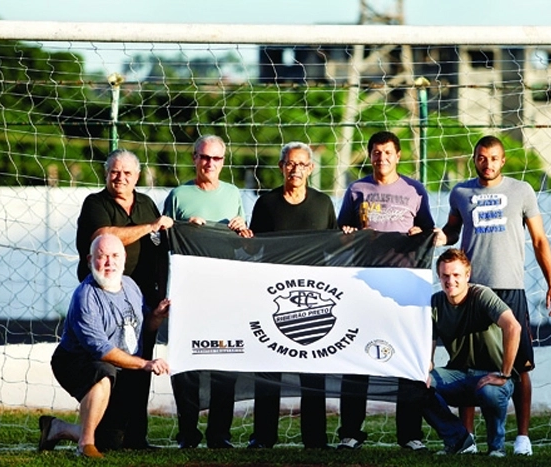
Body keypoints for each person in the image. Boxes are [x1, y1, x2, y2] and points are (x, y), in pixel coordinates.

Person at [436, 135, 551, 455]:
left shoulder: (521, 191)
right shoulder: (461, 192)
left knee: (520, 365)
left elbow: (539, 240)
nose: (487, 163)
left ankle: (522, 437)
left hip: (510, 288)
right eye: (481, 157)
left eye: (493, 158)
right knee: (466, 361)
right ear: (474, 159)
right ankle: (466, 438)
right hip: (471, 289)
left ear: (503, 161)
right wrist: (437, 235)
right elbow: (451, 230)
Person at [336, 130, 434, 451]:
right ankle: (350, 432)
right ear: (370, 155)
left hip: (403, 289)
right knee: (356, 357)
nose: (382, 157)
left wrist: (421, 230)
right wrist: (347, 232)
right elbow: (340, 232)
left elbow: (429, 230)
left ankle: (410, 434)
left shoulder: (415, 190)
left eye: (388, 152)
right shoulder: (356, 190)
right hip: (363, 285)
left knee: (406, 357)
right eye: (377, 152)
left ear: (398, 155)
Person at [37, 234, 170, 458]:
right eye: (102, 256)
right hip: (75, 360)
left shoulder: (130, 285)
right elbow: (102, 351)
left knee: (110, 440)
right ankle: (85, 445)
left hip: (120, 367)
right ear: (90, 260)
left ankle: (56, 429)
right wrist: (145, 363)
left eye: (115, 256)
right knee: (103, 372)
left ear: (124, 258)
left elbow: (142, 325)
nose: (109, 262)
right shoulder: (85, 296)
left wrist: (157, 316)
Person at [75, 148, 173, 449]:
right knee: (112, 363)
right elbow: (104, 236)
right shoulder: (95, 203)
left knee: (142, 363)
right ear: (106, 174)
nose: (120, 178)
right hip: (105, 296)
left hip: (140, 298)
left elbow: (161, 244)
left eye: (127, 173)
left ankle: (136, 437)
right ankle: (106, 433)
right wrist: (150, 227)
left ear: (137, 177)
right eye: (115, 172)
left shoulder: (145, 203)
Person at [246, 142, 338, 449]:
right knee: (268, 368)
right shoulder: (266, 204)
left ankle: (315, 438)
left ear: (311, 168)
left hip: (313, 300)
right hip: (275, 299)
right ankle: (263, 436)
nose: (296, 169)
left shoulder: (323, 203)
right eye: (290, 164)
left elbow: (334, 247)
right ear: (281, 167)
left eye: (302, 164)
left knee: (312, 369)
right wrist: (240, 235)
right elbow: (252, 248)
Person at [163, 134, 249, 449]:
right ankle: (188, 433)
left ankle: (219, 434)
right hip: (190, 295)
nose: (209, 163)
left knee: (224, 363)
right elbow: (163, 239)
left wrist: (243, 230)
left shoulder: (233, 194)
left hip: (226, 294)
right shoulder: (178, 195)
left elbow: (243, 246)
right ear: (194, 158)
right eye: (204, 157)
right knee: (188, 365)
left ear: (223, 162)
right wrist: (186, 228)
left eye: (216, 158)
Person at [423, 248, 520, 457]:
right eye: (445, 276)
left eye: (456, 275)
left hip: (491, 374)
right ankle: (460, 441)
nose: (451, 280)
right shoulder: (436, 302)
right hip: (458, 374)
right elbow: (428, 348)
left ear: (467, 275)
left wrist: (504, 373)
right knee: (417, 385)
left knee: (490, 392)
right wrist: (424, 370)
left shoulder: (482, 295)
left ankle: (497, 448)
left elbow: (513, 327)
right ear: (439, 277)